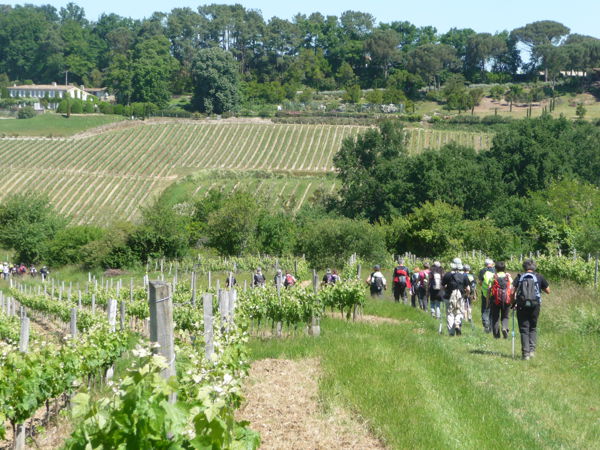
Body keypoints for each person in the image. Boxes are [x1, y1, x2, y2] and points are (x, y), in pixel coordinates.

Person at [512, 259, 550, 360]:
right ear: (534, 267)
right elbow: (548, 291)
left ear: (524, 267)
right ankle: (532, 350)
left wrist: (513, 302)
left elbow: (512, 291)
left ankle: (526, 354)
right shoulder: (539, 276)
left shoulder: (520, 277)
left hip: (521, 305)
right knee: (533, 327)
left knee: (524, 329)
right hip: (535, 305)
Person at [442, 258, 470, 336]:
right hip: (460, 297)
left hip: (448, 296)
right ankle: (457, 324)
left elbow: (442, 286)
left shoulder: (447, 275)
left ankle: (451, 332)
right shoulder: (464, 276)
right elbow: (468, 288)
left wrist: (444, 291)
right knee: (460, 312)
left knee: (450, 313)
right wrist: (467, 295)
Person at [489, 261, 513, 339]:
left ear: (496, 269)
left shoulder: (493, 277)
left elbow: (489, 289)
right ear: (504, 268)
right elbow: (512, 288)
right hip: (506, 299)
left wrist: (487, 300)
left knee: (495, 317)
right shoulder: (508, 277)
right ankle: (504, 327)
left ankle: (496, 335)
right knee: (505, 316)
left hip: (495, 299)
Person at [479, 259, 496, 333]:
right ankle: (492, 328)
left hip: (485, 293)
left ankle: (486, 324)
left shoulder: (482, 271)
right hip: (494, 293)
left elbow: (480, 282)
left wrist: (483, 287)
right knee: (493, 310)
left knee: (485, 308)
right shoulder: (495, 270)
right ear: (492, 264)